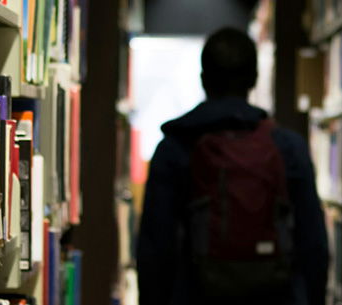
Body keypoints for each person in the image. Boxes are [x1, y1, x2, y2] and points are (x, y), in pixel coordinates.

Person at [136, 27, 329, 305]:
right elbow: (314, 245)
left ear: (203, 79)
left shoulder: (175, 147)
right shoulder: (288, 147)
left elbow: (155, 248)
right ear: (254, 79)